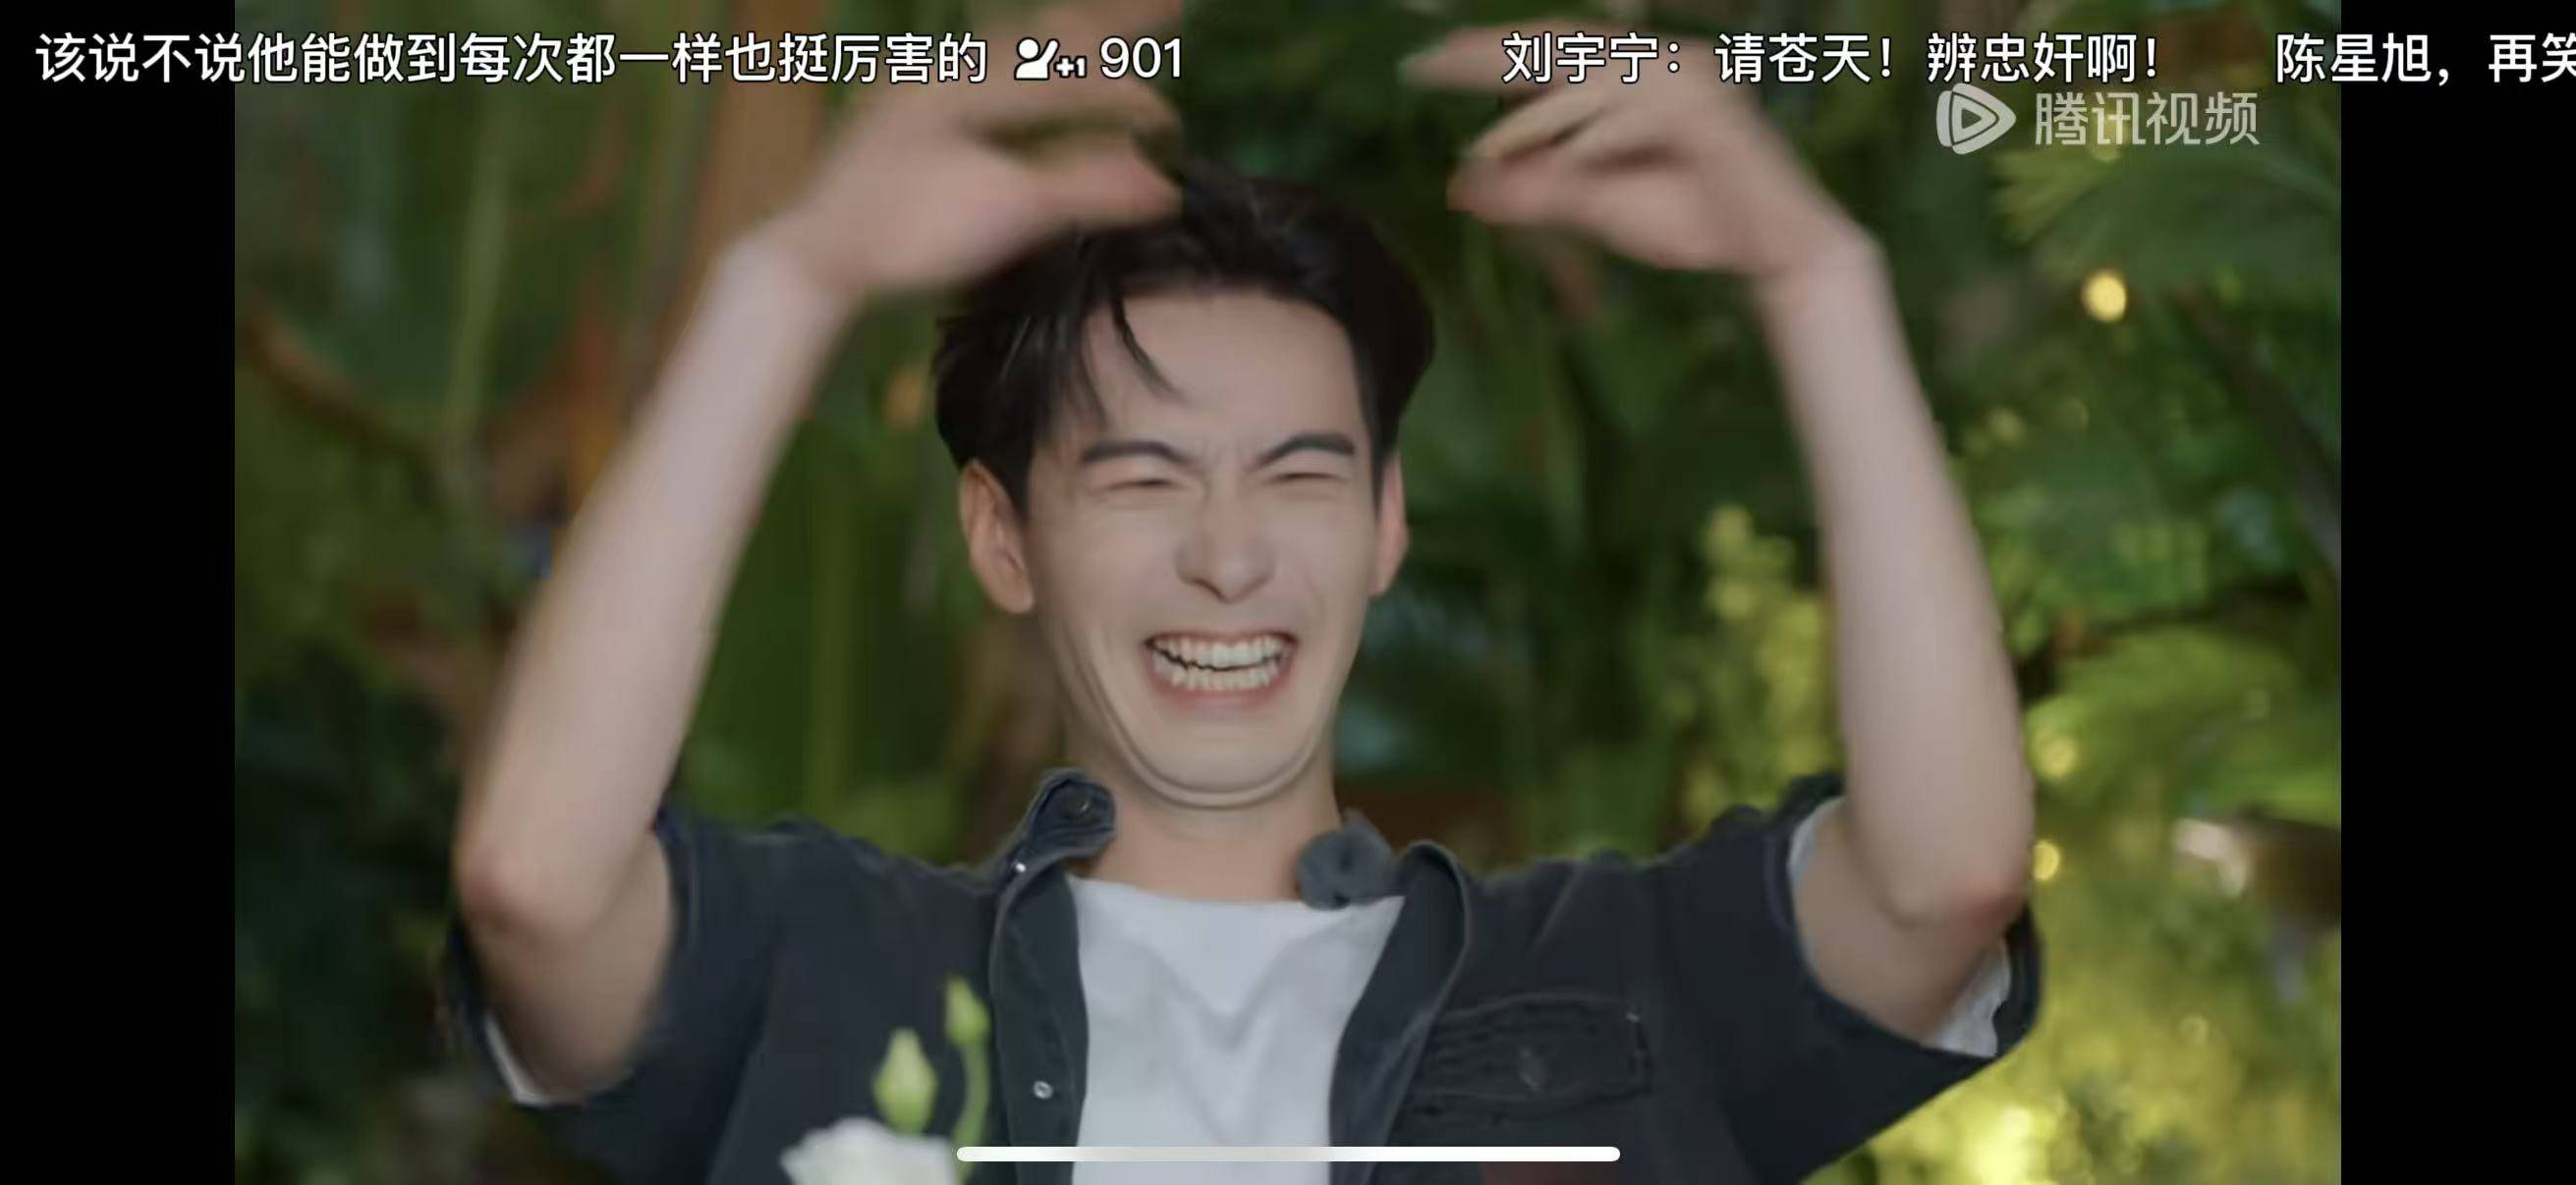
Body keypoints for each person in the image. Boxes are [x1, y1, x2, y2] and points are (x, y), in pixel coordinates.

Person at [444, 2, 2041, 1182]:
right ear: (1002, 536)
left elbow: (1944, 881)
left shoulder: (1617, 980)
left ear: (1384, 525)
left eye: (1297, 475)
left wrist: (1816, 276)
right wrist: (785, 277)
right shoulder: (834, 970)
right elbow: (538, 885)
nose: (1227, 554)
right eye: (1143, 478)